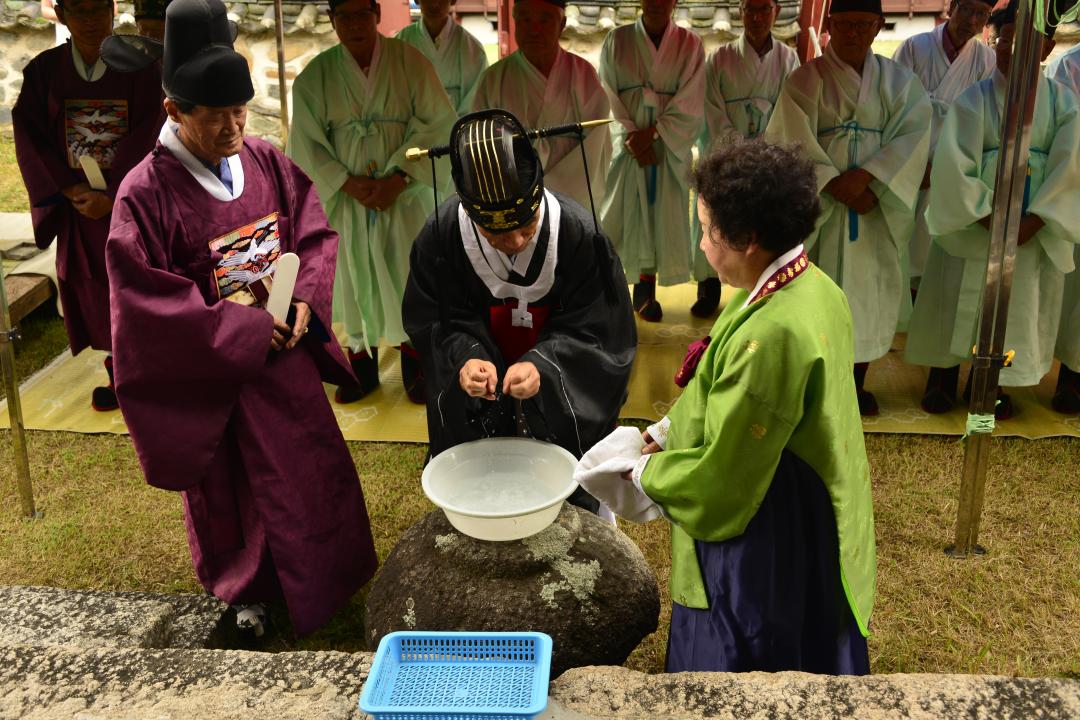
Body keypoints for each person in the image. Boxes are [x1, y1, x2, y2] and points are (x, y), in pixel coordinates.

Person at [106, 0, 379, 638]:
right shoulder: (144, 194)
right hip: (216, 377)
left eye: (240, 111)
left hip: (285, 363)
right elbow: (146, 306)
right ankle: (248, 597)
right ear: (174, 110)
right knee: (237, 493)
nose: (233, 127)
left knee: (309, 469)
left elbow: (311, 232)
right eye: (215, 115)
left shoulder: (263, 160)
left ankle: (329, 577)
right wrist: (248, 329)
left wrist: (304, 298)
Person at [595, 141, 876, 673]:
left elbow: (723, 476)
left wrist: (644, 473)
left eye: (707, 231)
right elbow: (714, 381)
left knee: (752, 647)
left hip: (767, 520)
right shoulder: (810, 285)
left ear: (748, 239)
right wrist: (667, 430)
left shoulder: (769, 336)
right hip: (809, 498)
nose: (701, 244)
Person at [402, 109, 636, 513]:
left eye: (526, 228)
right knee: (482, 488)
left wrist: (544, 367)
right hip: (480, 392)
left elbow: (602, 333)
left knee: (565, 500)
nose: (513, 242)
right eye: (494, 234)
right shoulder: (442, 237)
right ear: (470, 212)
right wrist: (466, 359)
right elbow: (433, 321)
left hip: (553, 391)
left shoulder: (579, 235)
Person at [904, 2, 1080, 418]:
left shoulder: (1064, 104)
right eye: (1005, 40)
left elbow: (1069, 166)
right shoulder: (972, 99)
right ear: (994, 41)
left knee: (1018, 306)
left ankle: (995, 384)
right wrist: (989, 216)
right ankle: (942, 377)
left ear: (1045, 47)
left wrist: (1035, 219)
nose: (1011, 50)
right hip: (975, 223)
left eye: (1024, 42)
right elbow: (954, 163)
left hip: (1032, 227)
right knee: (952, 296)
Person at [764, 0, 931, 416]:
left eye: (862, 24)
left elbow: (913, 135)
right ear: (830, 26)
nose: (853, 33)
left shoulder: (900, 81)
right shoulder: (805, 80)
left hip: (875, 206)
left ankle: (856, 384)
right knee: (813, 296)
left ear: (877, 26)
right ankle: (813, 389)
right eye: (845, 24)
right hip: (822, 207)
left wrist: (871, 180)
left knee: (867, 294)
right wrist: (830, 181)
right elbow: (787, 137)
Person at [287, 0, 457, 405]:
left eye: (361, 13)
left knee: (407, 274)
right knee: (350, 276)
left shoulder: (410, 63)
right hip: (347, 199)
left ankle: (415, 363)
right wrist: (347, 182)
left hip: (404, 193)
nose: (354, 24)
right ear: (332, 20)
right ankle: (360, 364)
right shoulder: (315, 76)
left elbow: (438, 122)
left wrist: (398, 177)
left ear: (377, 14)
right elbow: (306, 144)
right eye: (343, 16)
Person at [13, 0, 164, 412]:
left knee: (140, 280)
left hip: (132, 198)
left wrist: (114, 194)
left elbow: (153, 128)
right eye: (80, 11)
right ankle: (121, 375)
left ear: (113, 10)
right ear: (62, 14)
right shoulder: (44, 71)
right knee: (96, 287)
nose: (91, 20)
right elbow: (29, 134)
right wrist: (65, 188)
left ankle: (151, 372)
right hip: (79, 202)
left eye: (99, 9)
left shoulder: (142, 68)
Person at [690, 0, 798, 318]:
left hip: (768, 156)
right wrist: (737, 149)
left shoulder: (789, 59)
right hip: (725, 154)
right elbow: (710, 107)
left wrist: (763, 150)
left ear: (776, 12)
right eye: (751, 9)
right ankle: (708, 285)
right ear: (740, 12)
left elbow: (791, 107)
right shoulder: (719, 58)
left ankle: (759, 287)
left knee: (760, 224)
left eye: (765, 9)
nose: (757, 16)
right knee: (717, 218)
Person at [598, 0, 704, 323]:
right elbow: (606, 93)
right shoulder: (616, 41)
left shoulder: (690, 44)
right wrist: (632, 135)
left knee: (661, 216)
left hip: (666, 145)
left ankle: (647, 288)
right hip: (629, 145)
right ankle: (614, 289)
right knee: (621, 215)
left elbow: (692, 98)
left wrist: (655, 134)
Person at [892, 0, 995, 293]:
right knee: (898, 241)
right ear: (951, 7)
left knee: (934, 249)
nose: (972, 20)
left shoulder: (986, 60)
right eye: (967, 9)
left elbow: (982, 122)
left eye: (981, 14)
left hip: (952, 164)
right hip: (907, 160)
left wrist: (944, 166)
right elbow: (895, 106)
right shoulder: (914, 48)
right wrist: (916, 164)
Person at [472, 0, 610, 213]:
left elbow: (596, 142)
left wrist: (556, 192)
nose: (534, 30)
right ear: (515, 21)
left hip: (574, 195)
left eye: (545, 21)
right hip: (515, 199)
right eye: (526, 20)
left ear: (562, 24)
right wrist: (520, 192)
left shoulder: (583, 75)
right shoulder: (493, 79)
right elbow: (481, 145)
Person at [1046, 40, 1080, 413]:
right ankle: (1070, 380)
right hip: (1075, 185)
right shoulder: (1070, 65)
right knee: (1075, 292)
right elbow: (1060, 126)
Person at [395, 0, 489, 116]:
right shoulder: (400, 44)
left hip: (457, 126)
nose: (435, 3)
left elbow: (476, 104)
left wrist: (453, 125)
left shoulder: (472, 49)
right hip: (411, 127)